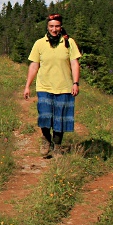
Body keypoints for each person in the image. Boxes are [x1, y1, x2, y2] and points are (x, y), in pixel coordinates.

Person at [23, 13, 82, 158]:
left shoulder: (69, 42)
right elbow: (34, 65)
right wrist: (27, 86)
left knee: (59, 119)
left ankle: (57, 146)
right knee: (44, 115)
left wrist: (75, 83)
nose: (54, 29)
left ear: (61, 26)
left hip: (64, 87)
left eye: (57, 26)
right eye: (51, 26)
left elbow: (75, 64)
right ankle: (46, 140)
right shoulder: (39, 43)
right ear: (47, 27)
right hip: (44, 87)